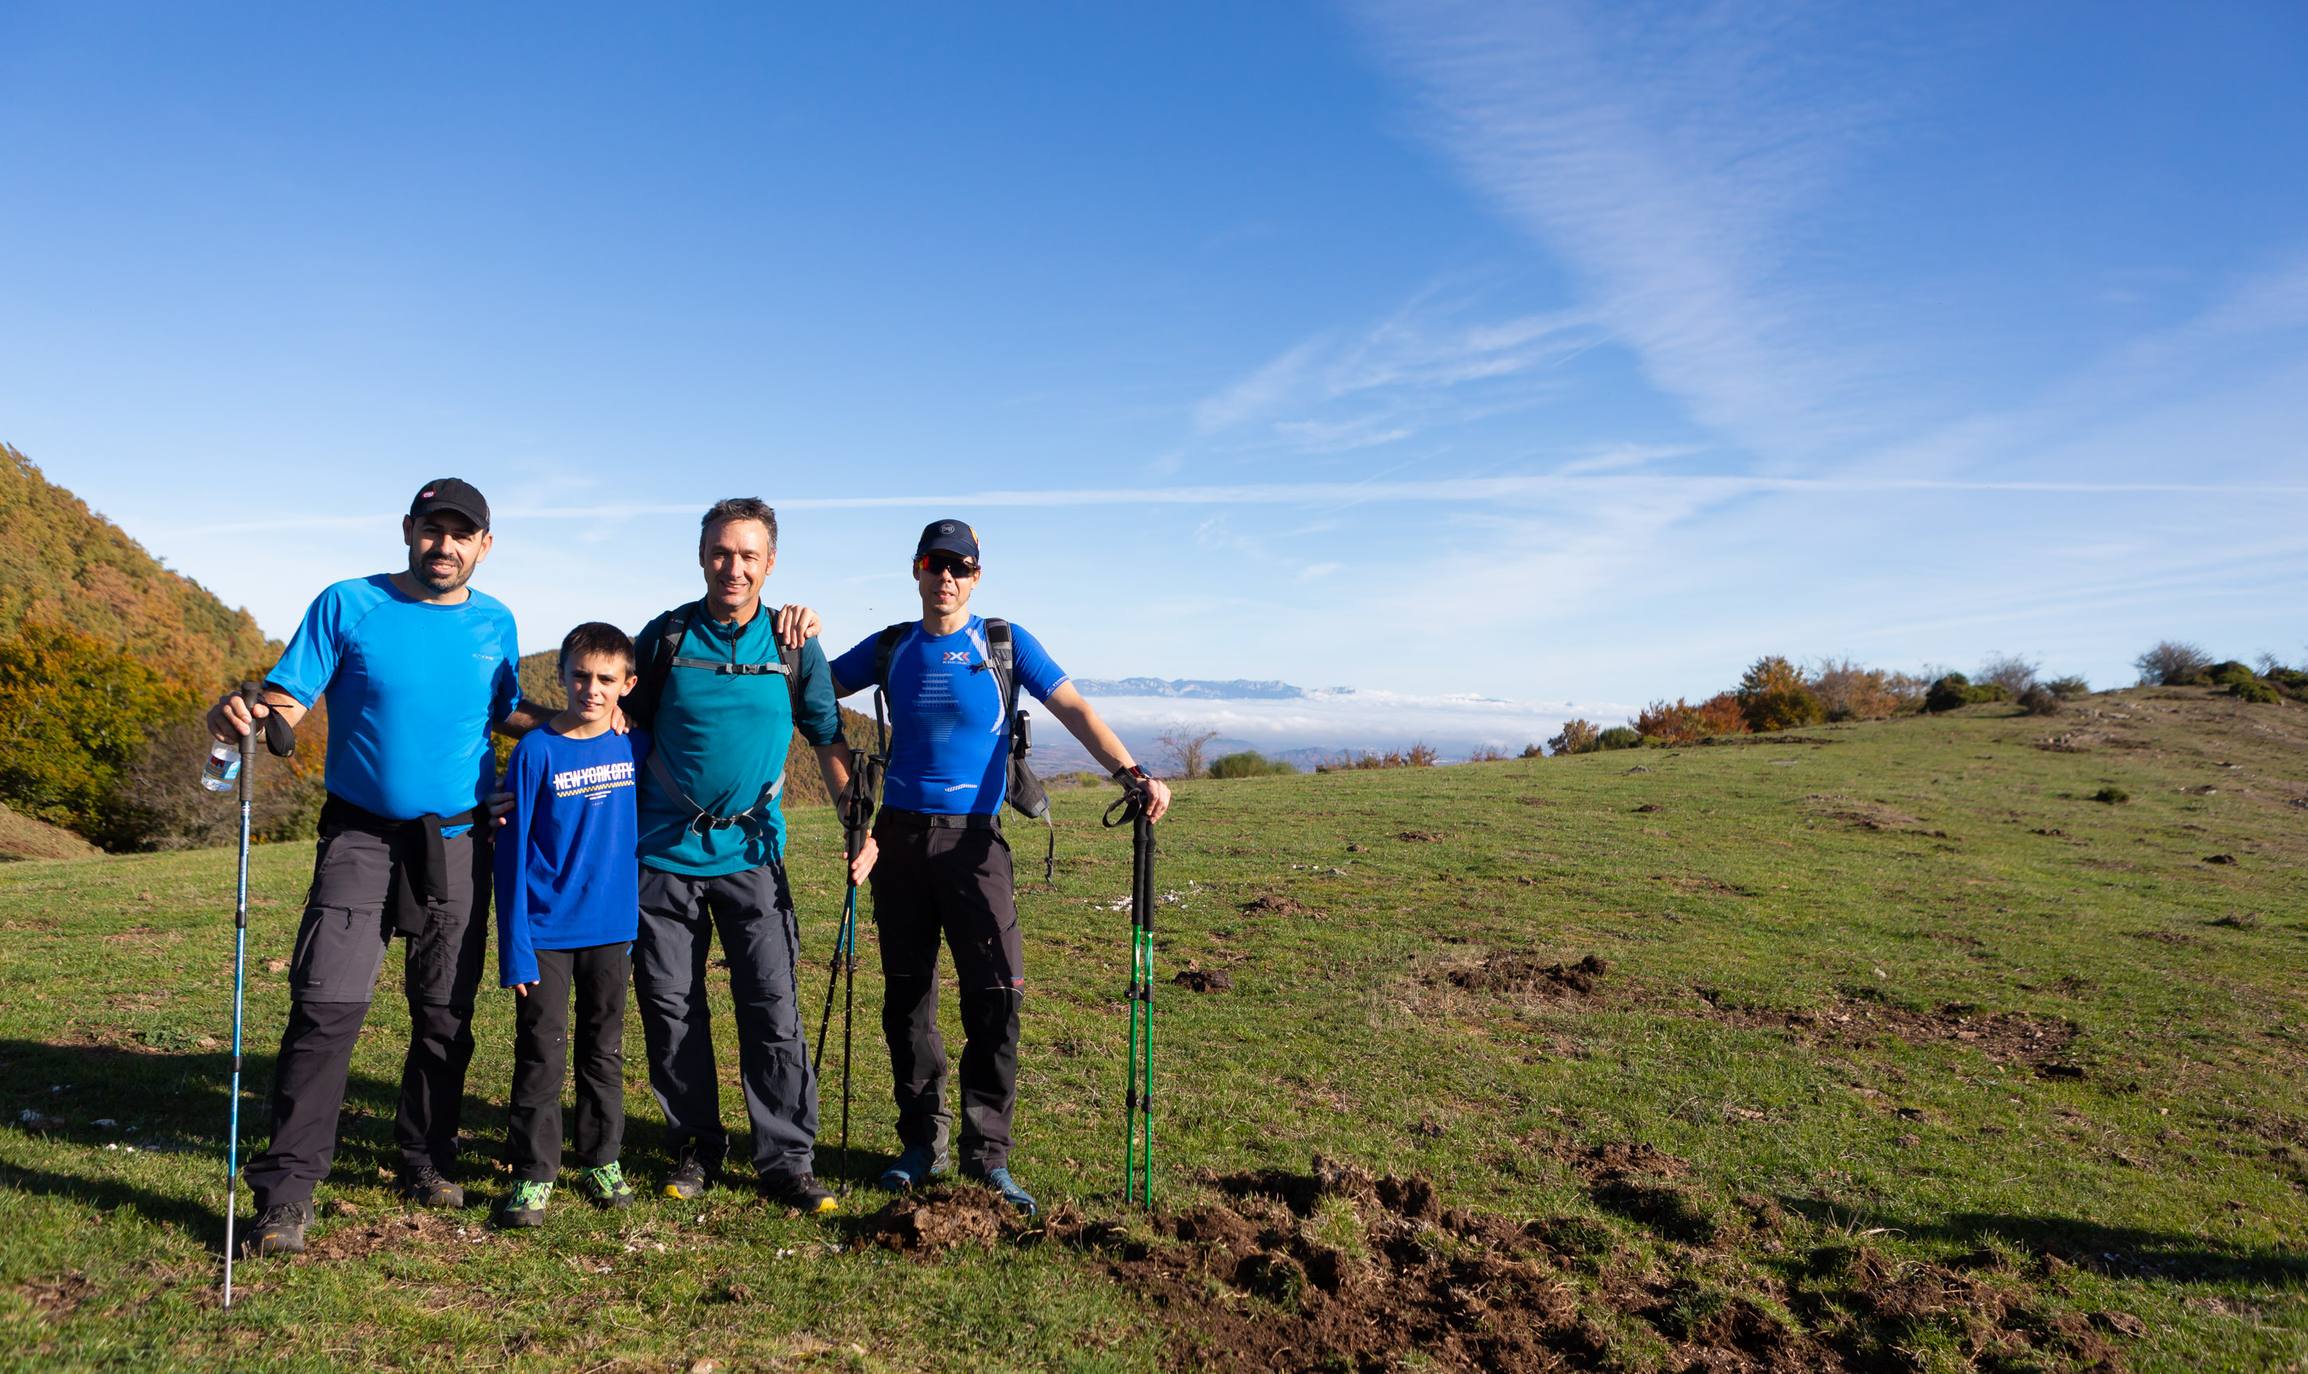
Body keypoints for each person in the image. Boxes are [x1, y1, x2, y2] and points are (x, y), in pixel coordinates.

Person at [208, 479, 546, 1257]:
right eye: (434, 529)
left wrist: (581, 722)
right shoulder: (347, 603)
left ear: (485, 546)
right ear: (408, 530)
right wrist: (246, 714)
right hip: (359, 837)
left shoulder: (496, 621)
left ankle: (425, 1159)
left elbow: (503, 711)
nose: (446, 545)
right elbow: (286, 701)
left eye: (463, 534)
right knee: (326, 1007)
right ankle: (287, 1193)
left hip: (457, 843)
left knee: (443, 1015)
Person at [829, 518, 1171, 1216]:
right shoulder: (892, 646)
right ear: (917, 570)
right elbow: (812, 694)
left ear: (976, 577)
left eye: (959, 566)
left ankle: (990, 1157)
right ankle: (921, 1146)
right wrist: (846, 787)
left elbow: (1071, 705)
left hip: (976, 845)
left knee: (997, 997)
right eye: (934, 563)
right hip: (897, 842)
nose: (945, 577)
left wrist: (1130, 772)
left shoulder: (1002, 645)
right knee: (907, 1000)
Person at [623, 497, 869, 1214]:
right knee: (671, 1010)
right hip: (662, 857)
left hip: (754, 857)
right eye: (722, 552)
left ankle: (786, 1161)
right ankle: (695, 1148)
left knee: (772, 1009)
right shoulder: (666, 638)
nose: (734, 566)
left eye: (748, 555)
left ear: (770, 563)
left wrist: (859, 826)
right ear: (703, 556)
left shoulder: (793, 646)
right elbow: (618, 725)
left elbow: (826, 737)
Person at [490, 622, 647, 1228]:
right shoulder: (536, 751)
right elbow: (510, 854)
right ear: (560, 677)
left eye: (606, 679)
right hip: (546, 934)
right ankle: (534, 1172)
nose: (591, 688)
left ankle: (601, 1157)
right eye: (580, 675)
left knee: (603, 1051)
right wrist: (516, 950)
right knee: (541, 1053)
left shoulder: (634, 745)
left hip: (611, 931)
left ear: (627, 685)